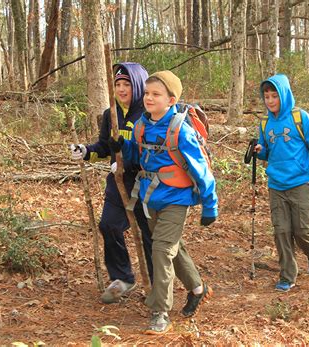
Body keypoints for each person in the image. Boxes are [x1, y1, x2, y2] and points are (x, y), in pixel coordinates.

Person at [110, 70, 218, 334]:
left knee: (160, 251)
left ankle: (159, 311)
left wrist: (210, 205)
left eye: (156, 94)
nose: (148, 98)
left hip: (176, 200)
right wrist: (122, 146)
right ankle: (197, 288)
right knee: (172, 247)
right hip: (150, 198)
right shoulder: (141, 125)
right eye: (147, 93)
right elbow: (136, 154)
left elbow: (201, 170)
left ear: (171, 100)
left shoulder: (181, 130)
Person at [70, 63, 153, 303]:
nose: (122, 89)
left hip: (145, 184)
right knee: (109, 225)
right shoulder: (111, 114)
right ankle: (122, 278)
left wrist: (129, 162)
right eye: (117, 84)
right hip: (117, 183)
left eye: (127, 84)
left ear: (138, 85)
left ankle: (156, 286)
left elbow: (150, 151)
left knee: (149, 236)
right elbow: (105, 146)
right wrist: (85, 151)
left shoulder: (147, 114)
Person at [254, 74, 309, 292]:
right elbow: (266, 151)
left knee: (301, 230)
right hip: (276, 185)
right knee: (281, 231)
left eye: (274, 96)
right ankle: (288, 274)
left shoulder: (301, 118)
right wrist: (260, 152)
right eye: (267, 97)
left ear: (284, 95)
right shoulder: (264, 123)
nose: (270, 101)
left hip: (301, 184)